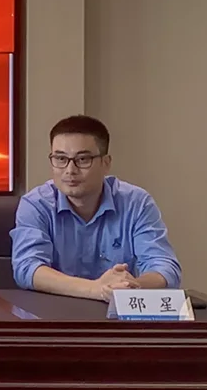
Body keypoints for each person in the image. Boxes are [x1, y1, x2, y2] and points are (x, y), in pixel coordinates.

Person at [10, 114, 181, 300]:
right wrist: (96, 289)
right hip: (54, 312)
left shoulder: (136, 202)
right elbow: (27, 268)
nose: (70, 170)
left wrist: (131, 286)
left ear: (105, 163)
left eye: (83, 159)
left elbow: (164, 266)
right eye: (60, 159)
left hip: (119, 312)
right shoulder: (36, 204)